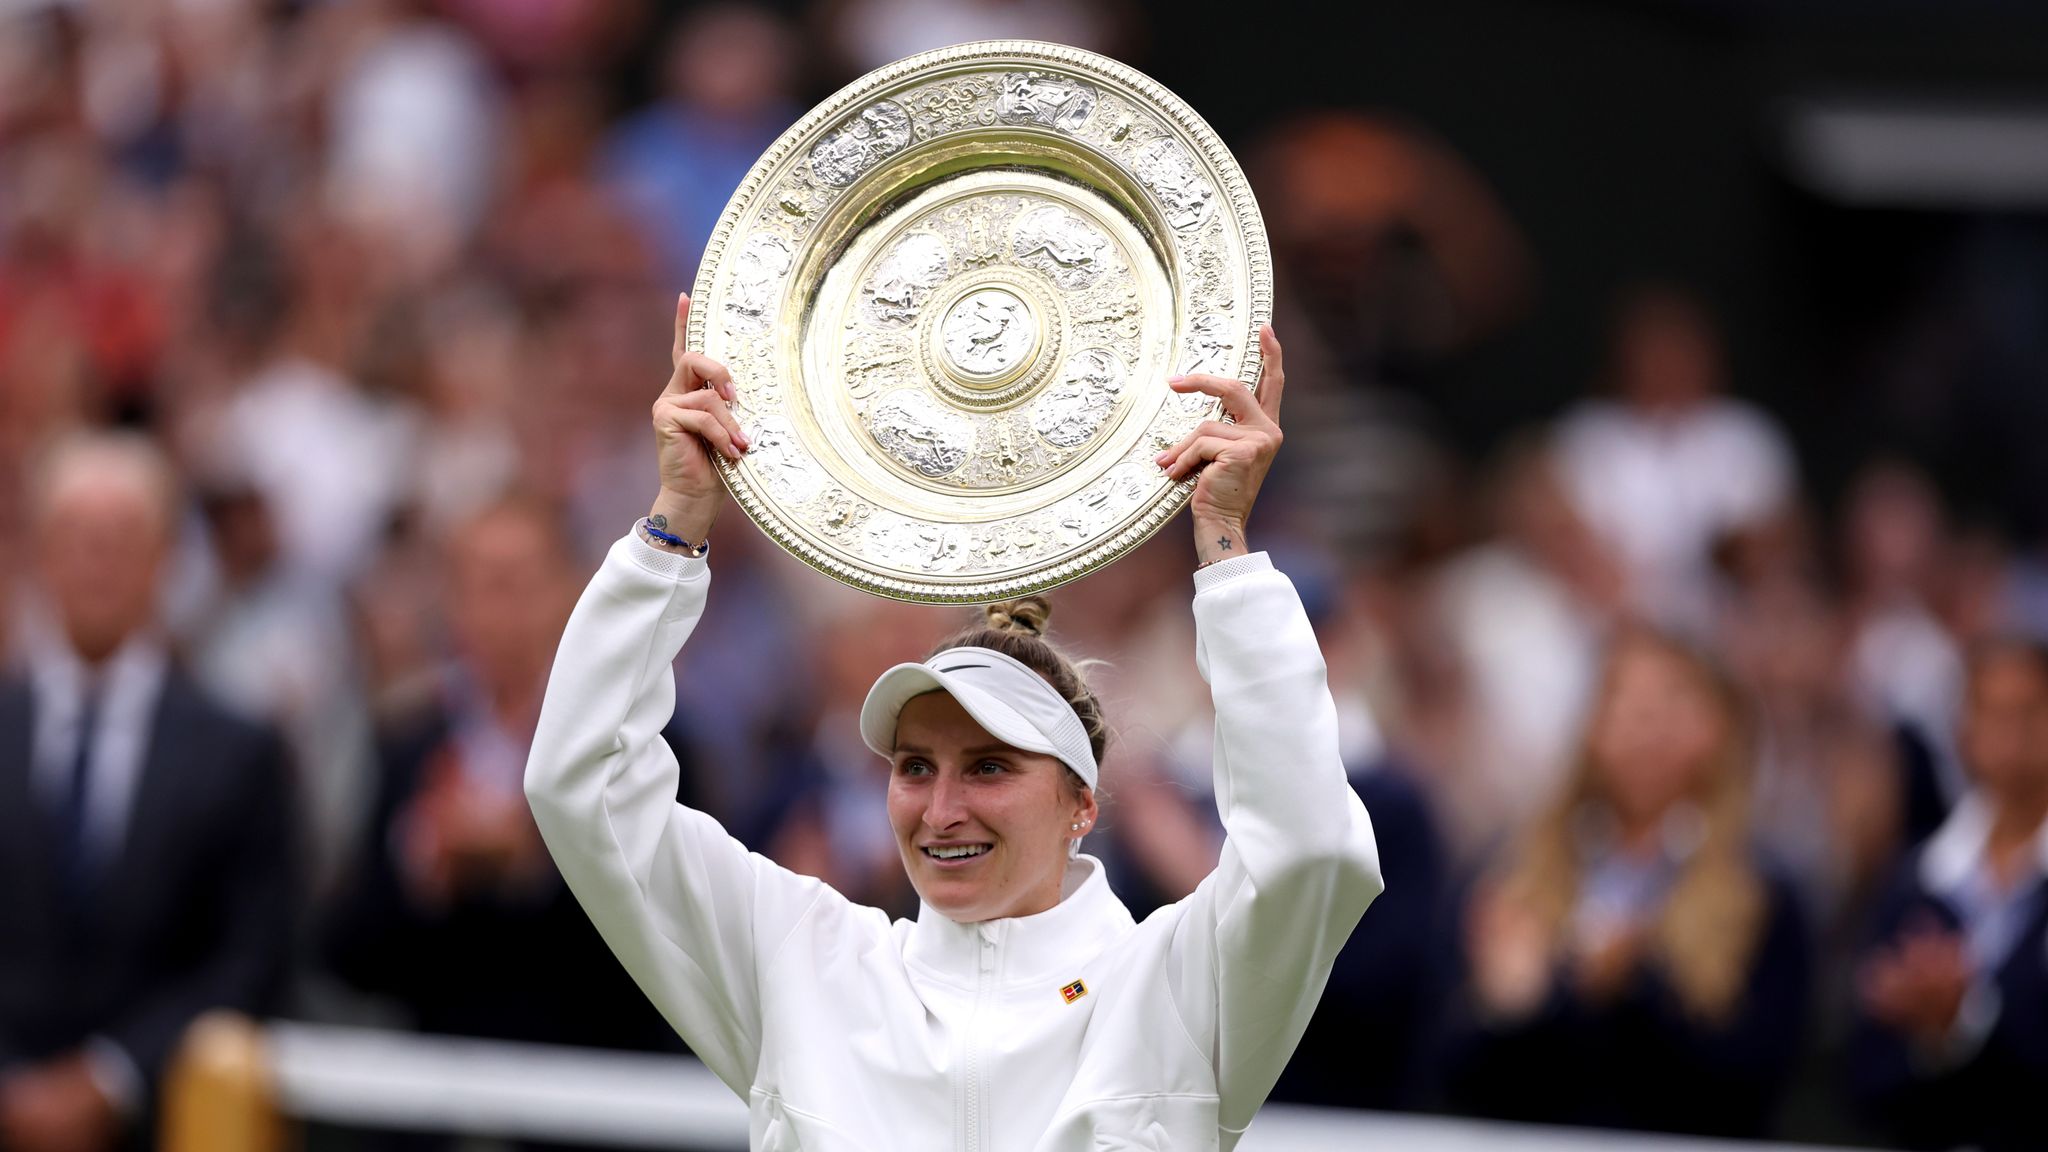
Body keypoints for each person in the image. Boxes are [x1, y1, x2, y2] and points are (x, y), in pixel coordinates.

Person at [524, 295, 1384, 1149]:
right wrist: (673, 524)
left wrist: (1226, 549)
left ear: (1082, 803)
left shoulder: (1176, 984)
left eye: (989, 767)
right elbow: (582, 786)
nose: (940, 811)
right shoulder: (802, 959)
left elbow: (1312, 852)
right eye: (914, 767)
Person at [0, 432, 298, 1152]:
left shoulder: (240, 752)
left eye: (121, 540)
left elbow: (253, 958)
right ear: (41, 554)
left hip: (163, 1120)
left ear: (166, 557)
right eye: (76, 538)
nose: (97, 563)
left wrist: (112, 1077)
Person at [1441, 627, 1810, 1138]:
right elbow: (1446, 1074)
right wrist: (1509, 1009)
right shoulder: (1511, 873)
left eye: (1672, 700)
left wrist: (1639, 987)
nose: (1645, 724)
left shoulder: (1762, 891)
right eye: (1625, 698)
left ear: (1723, 727)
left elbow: (1761, 1082)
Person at [1847, 640, 2048, 1152]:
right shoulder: (1915, 879)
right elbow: (1862, 1076)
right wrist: (1926, 1035)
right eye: (1990, 711)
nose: (2011, 733)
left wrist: (1962, 1021)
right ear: (1962, 730)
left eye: (2029, 710)